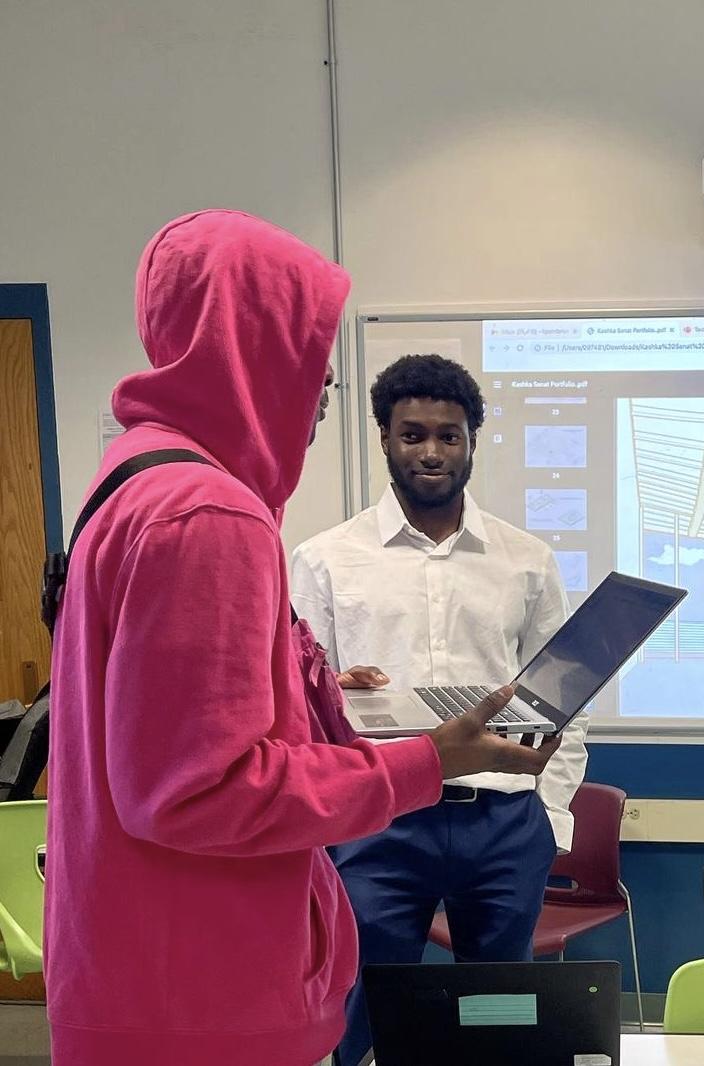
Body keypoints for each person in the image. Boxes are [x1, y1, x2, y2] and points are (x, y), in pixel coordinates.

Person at [43, 213, 560, 1066]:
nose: (317, 401)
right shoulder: (209, 513)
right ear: (246, 351)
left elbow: (164, 718)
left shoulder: (136, 476)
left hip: (143, 967)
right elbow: (200, 789)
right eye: (308, 365)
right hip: (205, 992)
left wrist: (300, 676)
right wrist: (430, 760)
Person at [292, 354, 590, 1066]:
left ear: (471, 442)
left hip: (503, 822)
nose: (430, 452)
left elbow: (566, 701)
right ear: (385, 440)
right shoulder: (325, 558)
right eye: (412, 434)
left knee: (502, 1015)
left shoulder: (525, 559)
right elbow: (298, 701)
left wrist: (548, 815)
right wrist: (336, 690)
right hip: (379, 822)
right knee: (366, 1006)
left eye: (448, 436)